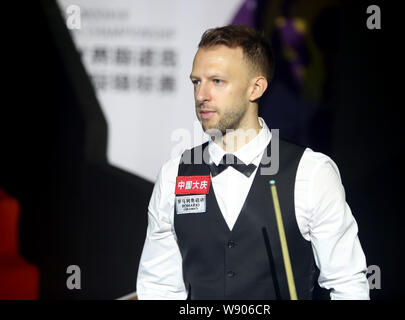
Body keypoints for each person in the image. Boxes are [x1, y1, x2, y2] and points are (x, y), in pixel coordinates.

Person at [136, 25, 369, 300]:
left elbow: (347, 285)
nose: (201, 95)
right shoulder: (173, 174)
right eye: (196, 82)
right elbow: (158, 288)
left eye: (217, 81)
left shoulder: (312, 172)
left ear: (255, 87)